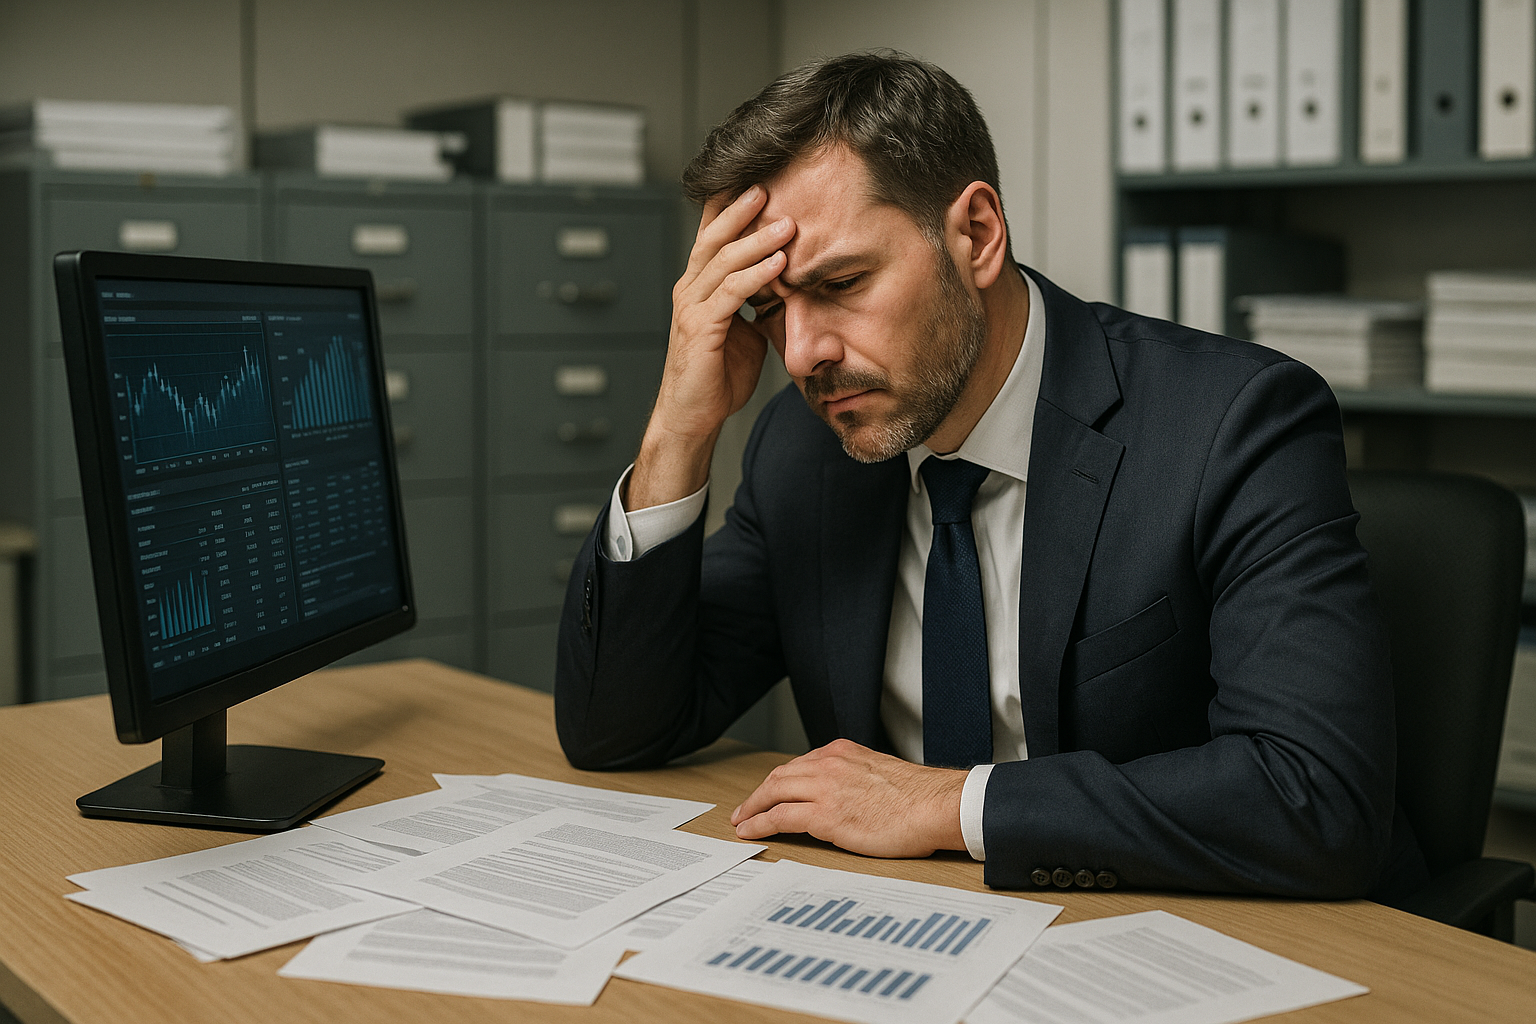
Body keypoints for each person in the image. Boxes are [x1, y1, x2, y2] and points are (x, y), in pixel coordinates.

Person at [554, 52, 1424, 898]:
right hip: (902, 929)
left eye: (843, 282)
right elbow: (622, 732)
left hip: (1173, 937)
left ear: (975, 234)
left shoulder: (1234, 422)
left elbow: (1316, 797)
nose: (803, 353)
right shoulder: (802, 447)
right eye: (773, 308)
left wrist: (952, 804)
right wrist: (679, 425)